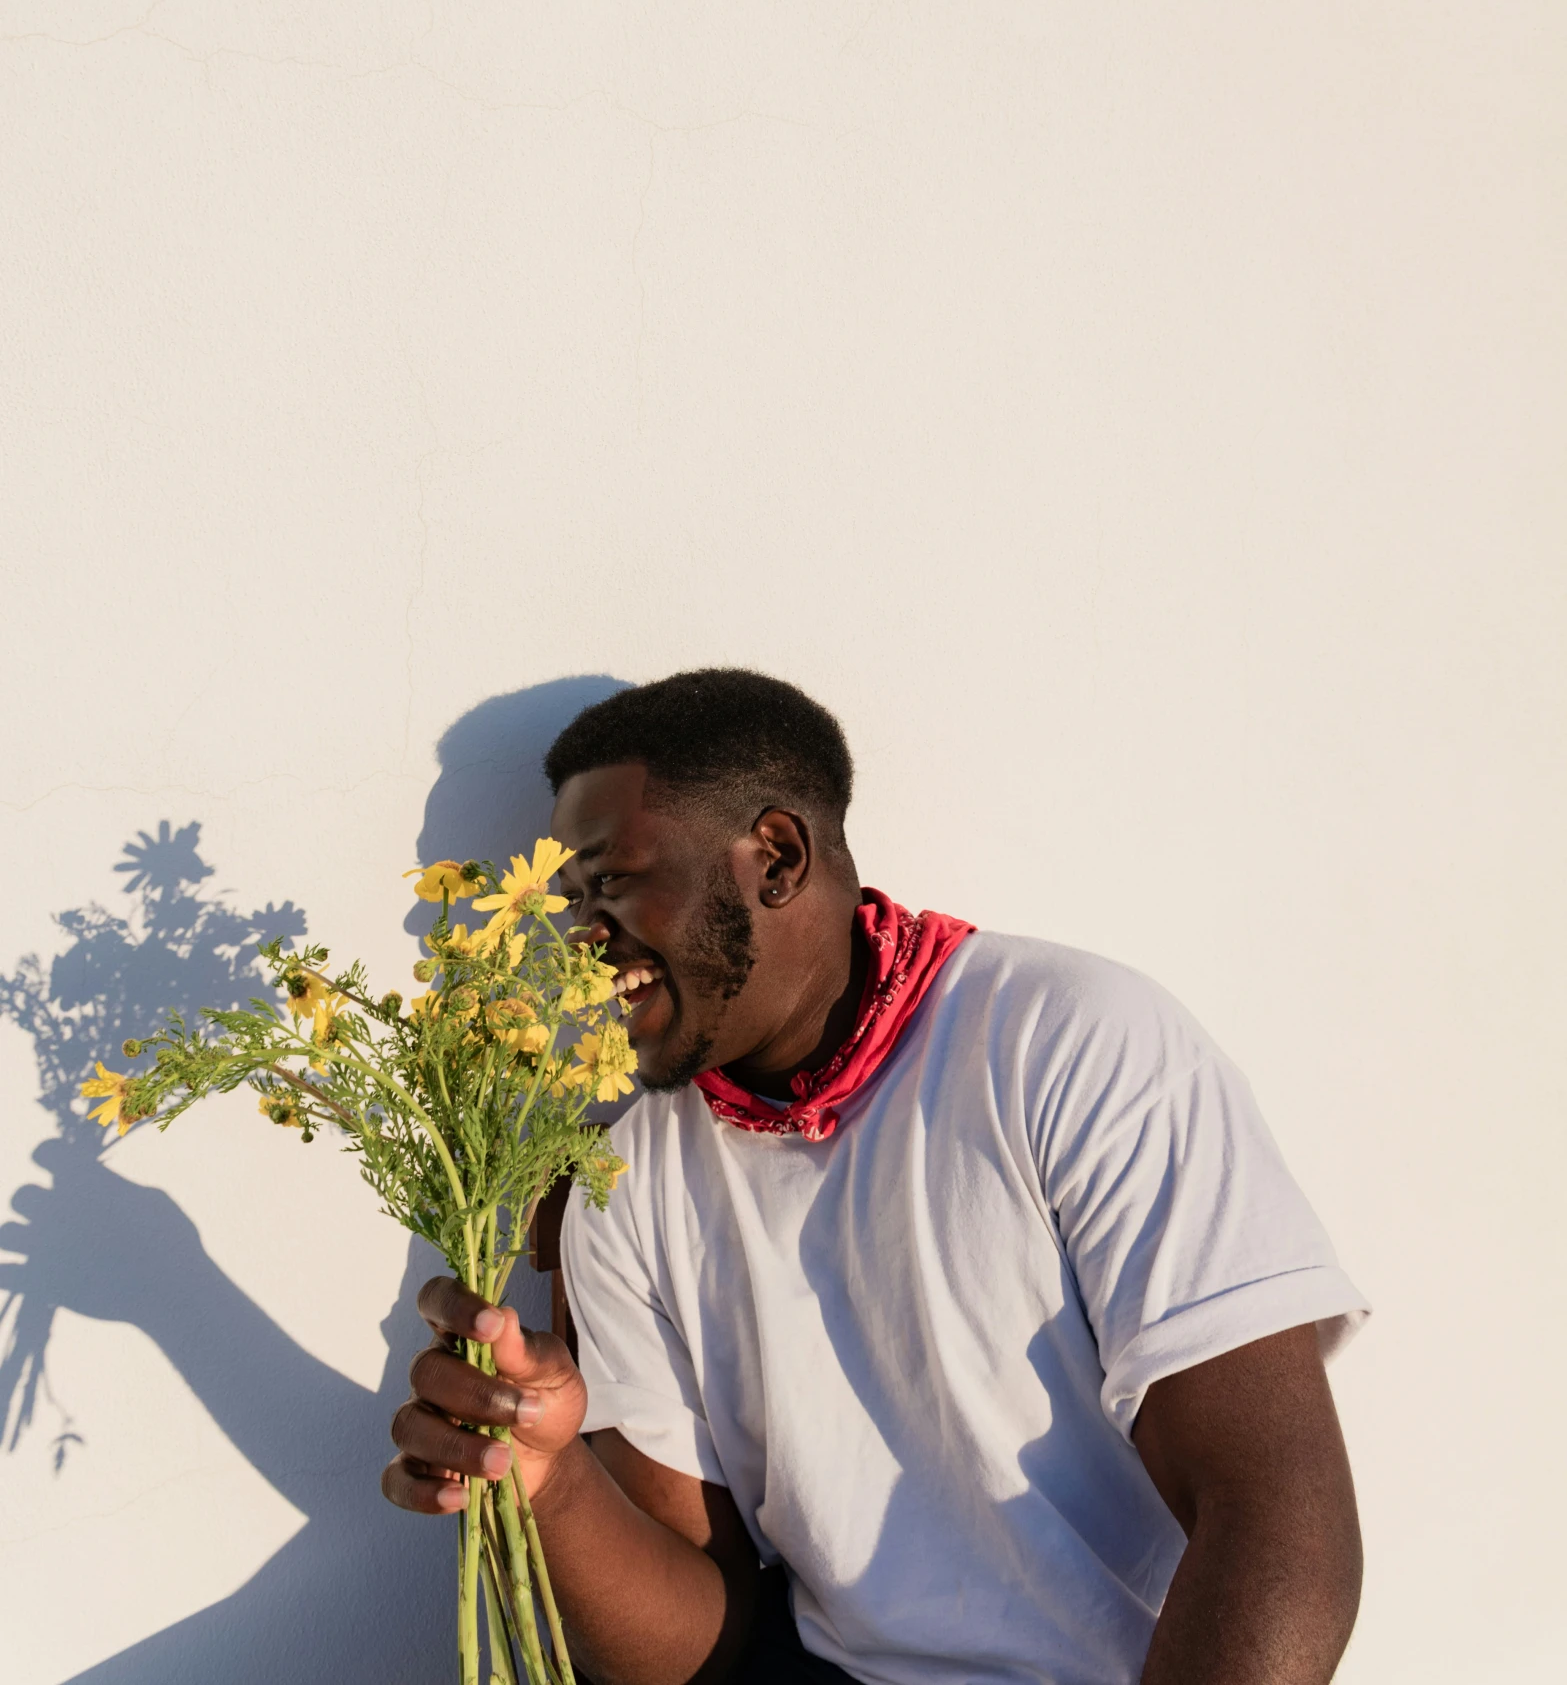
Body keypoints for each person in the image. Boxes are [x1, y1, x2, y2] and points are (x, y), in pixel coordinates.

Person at [384, 669, 1366, 1685]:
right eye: (572, 899)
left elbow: (1278, 1521)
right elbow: (699, 1654)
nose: (583, 936)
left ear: (774, 855)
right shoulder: (621, 1178)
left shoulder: (1068, 1040)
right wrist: (547, 1479)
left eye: (613, 881)